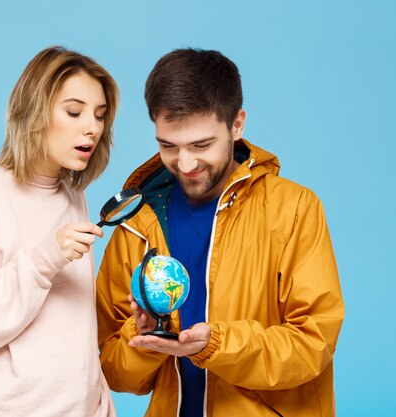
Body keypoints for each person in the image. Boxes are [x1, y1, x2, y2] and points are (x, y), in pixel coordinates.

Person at [96, 48, 344, 417]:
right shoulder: (136, 224)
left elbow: (313, 344)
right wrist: (145, 340)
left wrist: (217, 345)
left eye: (201, 145)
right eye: (168, 146)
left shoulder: (294, 209)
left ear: (237, 124)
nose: (185, 163)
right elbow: (112, 371)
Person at [0, 46, 119, 417]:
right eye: (74, 111)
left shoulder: (73, 197)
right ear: (34, 111)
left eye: (100, 115)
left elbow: (70, 325)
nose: (92, 127)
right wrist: (43, 260)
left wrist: (98, 401)